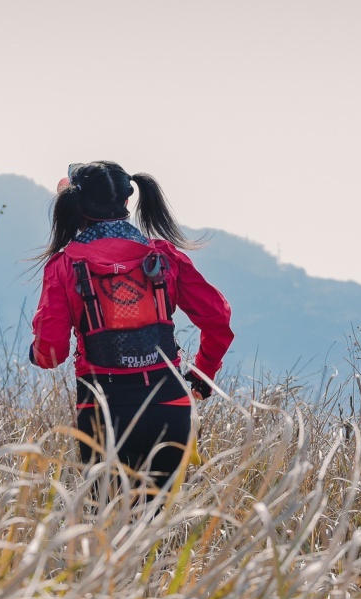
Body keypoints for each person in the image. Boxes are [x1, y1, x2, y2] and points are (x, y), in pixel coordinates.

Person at [30, 161, 233, 497]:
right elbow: (218, 320)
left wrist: (35, 352)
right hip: (170, 405)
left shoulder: (65, 265)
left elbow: (50, 353)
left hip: (103, 410)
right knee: (157, 531)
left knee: (108, 527)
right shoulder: (165, 256)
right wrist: (202, 375)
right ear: (127, 202)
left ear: (76, 207)